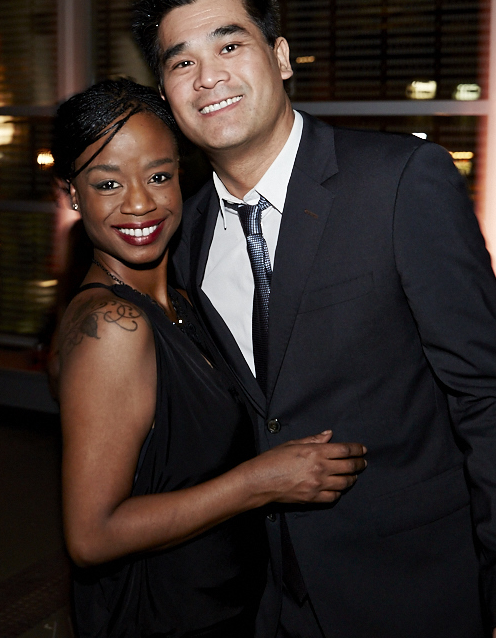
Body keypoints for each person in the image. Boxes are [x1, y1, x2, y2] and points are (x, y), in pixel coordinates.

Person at [132, 0, 496, 638]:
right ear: (166, 93)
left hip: (413, 591)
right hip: (264, 598)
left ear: (280, 56)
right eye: (181, 61)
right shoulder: (184, 239)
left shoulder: (398, 183)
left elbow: (494, 396)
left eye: (229, 43)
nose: (207, 75)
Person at [51, 78, 367, 638]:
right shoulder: (113, 325)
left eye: (158, 175)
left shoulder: (185, 299)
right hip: (161, 616)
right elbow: (91, 535)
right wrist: (260, 482)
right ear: (72, 193)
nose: (140, 203)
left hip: (219, 600)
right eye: (107, 183)